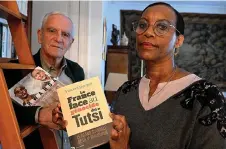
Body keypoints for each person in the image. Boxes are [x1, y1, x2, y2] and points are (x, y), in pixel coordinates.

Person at [108, 2, 226, 149]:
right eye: (143, 25)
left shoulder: (207, 97)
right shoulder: (125, 91)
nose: (148, 33)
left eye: (162, 27)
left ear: (178, 40)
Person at [4, 11, 84, 149]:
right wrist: (40, 114)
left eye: (65, 34)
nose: (58, 39)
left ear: (71, 42)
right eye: (52, 31)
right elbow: (5, 113)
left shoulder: (77, 71)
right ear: (40, 35)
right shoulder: (15, 69)